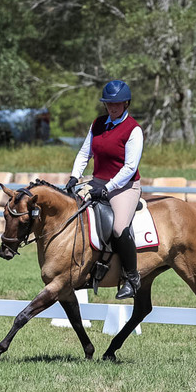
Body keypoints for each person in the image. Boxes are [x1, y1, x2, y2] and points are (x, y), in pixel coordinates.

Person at [65, 79, 144, 299]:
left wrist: (107, 188)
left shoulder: (133, 130)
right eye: (109, 104)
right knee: (69, 209)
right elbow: (84, 153)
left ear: (126, 103)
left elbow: (129, 167)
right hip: (96, 181)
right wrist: (74, 177)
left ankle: (132, 278)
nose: (112, 107)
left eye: (117, 103)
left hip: (125, 186)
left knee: (119, 227)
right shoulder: (98, 124)